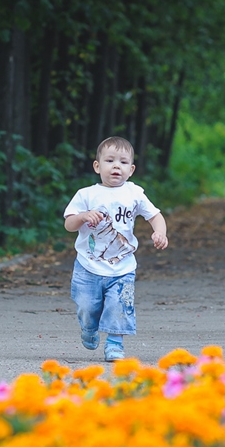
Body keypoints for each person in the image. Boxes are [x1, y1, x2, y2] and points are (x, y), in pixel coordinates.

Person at [63, 136, 168, 361]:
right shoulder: (86, 194)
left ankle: (114, 344)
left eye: (122, 162)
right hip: (87, 267)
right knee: (87, 306)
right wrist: (82, 217)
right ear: (97, 166)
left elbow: (155, 215)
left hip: (123, 268)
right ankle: (89, 329)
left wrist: (160, 232)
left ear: (131, 169)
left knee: (120, 305)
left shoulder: (134, 193)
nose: (116, 166)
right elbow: (69, 225)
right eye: (110, 161)